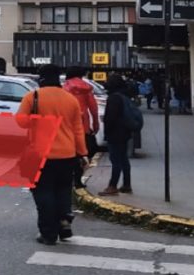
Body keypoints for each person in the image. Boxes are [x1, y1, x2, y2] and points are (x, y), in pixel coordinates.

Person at [16, 64, 88, 246]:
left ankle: (48, 233)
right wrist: (83, 153)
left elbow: (21, 122)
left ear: (41, 79)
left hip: (41, 154)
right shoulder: (70, 99)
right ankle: (64, 221)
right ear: (59, 79)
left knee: (43, 192)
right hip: (67, 154)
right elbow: (78, 129)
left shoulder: (32, 97)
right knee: (63, 189)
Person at [62, 66, 99, 190]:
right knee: (82, 152)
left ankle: (67, 178)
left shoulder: (64, 88)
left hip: (67, 125)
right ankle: (78, 180)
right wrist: (95, 124)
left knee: (68, 153)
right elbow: (94, 108)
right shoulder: (87, 89)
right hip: (83, 125)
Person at [99, 73, 137, 195]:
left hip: (115, 133)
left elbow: (111, 118)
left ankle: (112, 185)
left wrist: (106, 129)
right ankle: (127, 184)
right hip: (124, 132)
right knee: (123, 159)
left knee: (116, 160)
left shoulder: (114, 97)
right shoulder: (124, 95)